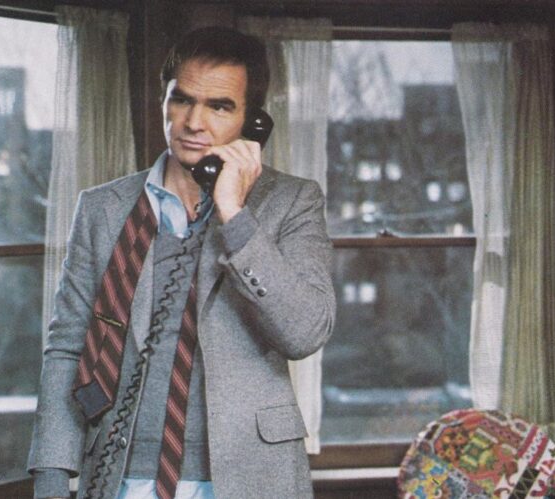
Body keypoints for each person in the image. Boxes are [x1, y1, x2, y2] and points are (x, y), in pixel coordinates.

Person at [27, 26, 335, 499]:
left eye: (220, 106)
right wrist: (51, 479)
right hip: (121, 474)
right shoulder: (102, 209)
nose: (194, 122)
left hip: (249, 476)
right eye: (182, 99)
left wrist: (234, 215)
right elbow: (68, 348)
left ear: (252, 121)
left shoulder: (292, 202)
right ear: (163, 99)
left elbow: (305, 332)